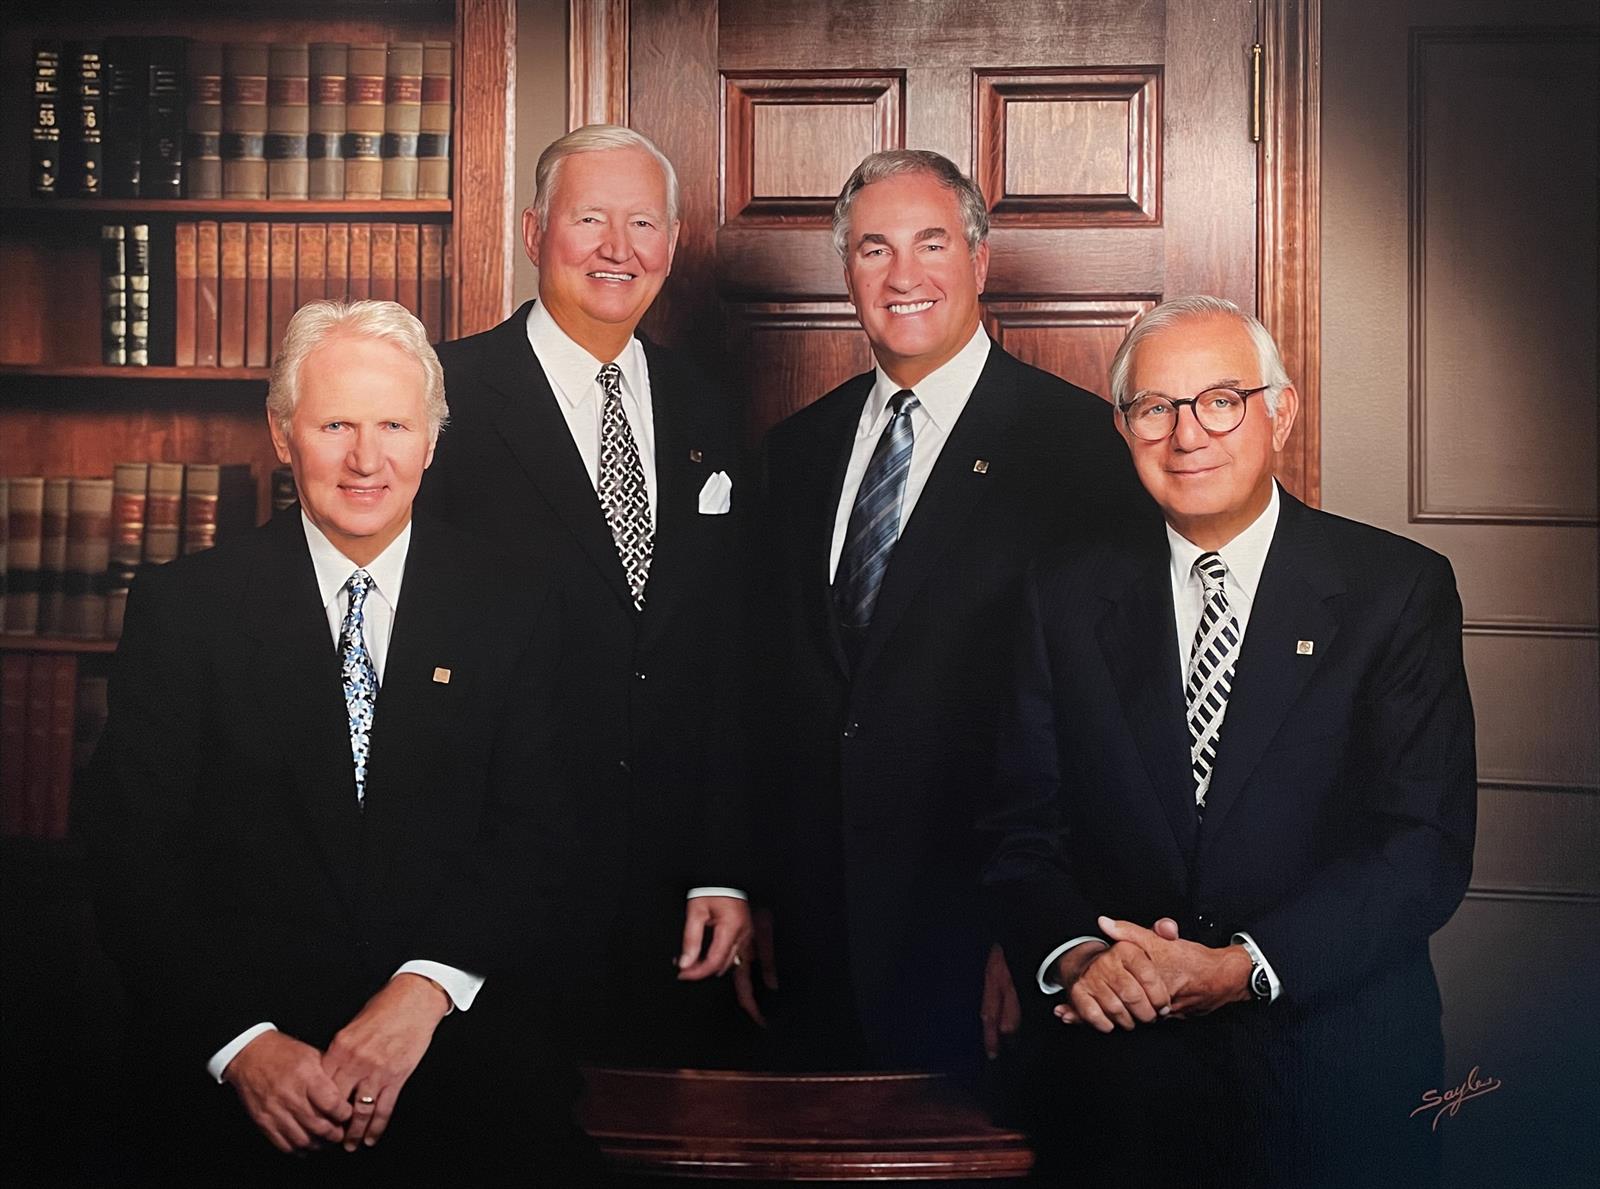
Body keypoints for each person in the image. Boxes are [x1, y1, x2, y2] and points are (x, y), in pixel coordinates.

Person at [84, 300, 589, 1184]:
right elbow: (133, 858)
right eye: (336, 425)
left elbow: (542, 834)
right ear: (284, 435)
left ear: (431, 440)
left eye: (394, 424)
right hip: (246, 1084)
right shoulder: (185, 610)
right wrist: (241, 1044)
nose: (367, 459)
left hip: (460, 1062)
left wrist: (424, 990)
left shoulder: (516, 602)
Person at [983, 295, 1477, 1187]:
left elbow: (1421, 848)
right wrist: (1082, 958)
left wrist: (1243, 968)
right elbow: (1023, 827)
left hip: (1333, 1068)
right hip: (1119, 1080)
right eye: (1154, 409)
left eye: (1220, 400)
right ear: (1125, 429)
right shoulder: (1062, 595)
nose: (1187, 435)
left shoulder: (1395, 590)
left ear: (1279, 411)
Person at [746, 149, 1155, 1078]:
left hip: (984, 939)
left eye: (930, 244)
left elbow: (1114, 727)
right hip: (811, 935)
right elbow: (769, 690)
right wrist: (761, 886)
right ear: (845, 272)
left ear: (979, 259)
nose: (903, 276)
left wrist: (1049, 935)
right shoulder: (797, 450)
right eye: (873, 249)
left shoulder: (1082, 451)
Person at [416, 125, 752, 1064]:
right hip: (492, 890)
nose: (618, 247)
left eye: (642, 221)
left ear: (673, 244)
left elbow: (727, 653)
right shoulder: (445, 396)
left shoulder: (709, 406)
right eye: (590, 219)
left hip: (677, 904)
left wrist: (723, 866)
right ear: (532, 232)